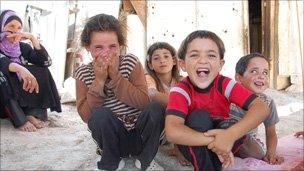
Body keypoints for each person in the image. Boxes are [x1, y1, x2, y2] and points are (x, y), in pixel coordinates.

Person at [165, 30, 269, 171]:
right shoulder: (180, 90)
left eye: (211, 55)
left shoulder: (224, 84)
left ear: (220, 64)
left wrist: (230, 135)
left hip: (222, 133)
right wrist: (218, 140)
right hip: (195, 138)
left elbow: (261, 108)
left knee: (231, 125)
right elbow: (172, 131)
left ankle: (218, 161)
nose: (203, 60)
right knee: (198, 116)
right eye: (195, 55)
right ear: (182, 64)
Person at [74, 13, 164, 171]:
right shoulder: (83, 73)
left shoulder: (130, 62)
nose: (106, 53)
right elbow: (87, 116)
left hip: (140, 135)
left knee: (156, 108)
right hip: (112, 139)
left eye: (112, 47)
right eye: (98, 47)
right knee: (100, 115)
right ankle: (111, 161)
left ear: (120, 45)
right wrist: (100, 81)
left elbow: (143, 102)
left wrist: (116, 76)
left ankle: (146, 159)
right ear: (88, 48)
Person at [0, 10, 61, 132]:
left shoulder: (21, 47)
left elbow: (46, 62)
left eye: (19, 27)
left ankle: (32, 114)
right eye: (11, 26)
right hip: (4, 101)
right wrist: (22, 69)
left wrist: (32, 38)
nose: (15, 30)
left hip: (19, 97)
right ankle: (20, 120)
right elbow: (3, 64)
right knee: (2, 77)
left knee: (42, 71)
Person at [228, 52, 284, 164]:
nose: (261, 76)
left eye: (265, 72)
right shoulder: (228, 96)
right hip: (224, 133)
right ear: (239, 78)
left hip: (246, 141)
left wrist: (271, 153)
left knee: (257, 153)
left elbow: (271, 132)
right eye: (254, 71)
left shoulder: (267, 103)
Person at [145, 42, 191, 166]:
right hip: (157, 130)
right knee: (170, 107)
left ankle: (179, 147)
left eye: (166, 56)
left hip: (177, 127)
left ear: (174, 61)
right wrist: (180, 105)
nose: (162, 61)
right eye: (156, 58)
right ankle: (177, 148)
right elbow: (152, 94)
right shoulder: (149, 79)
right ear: (150, 65)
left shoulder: (182, 81)